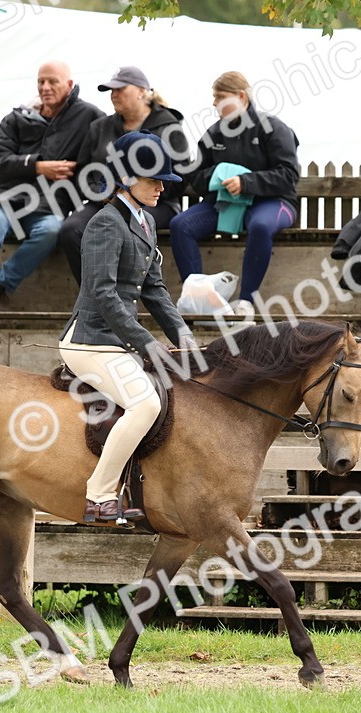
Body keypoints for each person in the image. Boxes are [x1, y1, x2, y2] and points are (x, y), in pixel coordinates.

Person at [59, 132, 196, 524]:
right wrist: (147, 342)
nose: (160, 187)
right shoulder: (104, 223)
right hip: (91, 341)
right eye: (152, 179)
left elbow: (154, 289)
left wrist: (182, 336)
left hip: (118, 341)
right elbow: (103, 293)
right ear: (124, 179)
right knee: (146, 403)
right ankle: (99, 494)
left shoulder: (146, 222)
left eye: (162, 181)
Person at [0, 61, 104, 312]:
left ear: (70, 85)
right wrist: (37, 166)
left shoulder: (89, 116)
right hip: (6, 199)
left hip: (49, 206)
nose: (45, 87)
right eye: (41, 81)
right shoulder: (17, 118)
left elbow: (108, 145)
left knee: (52, 231)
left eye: (53, 81)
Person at [169, 71, 299, 316]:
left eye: (220, 96)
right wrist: (219, 176)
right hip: (226, 203)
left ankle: (245, 302)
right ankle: (199, 300)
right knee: (180, 225)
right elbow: (196, 178)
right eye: (214, 97)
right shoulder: (214, 134)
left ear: (241, 96)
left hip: (272, 202)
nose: (214, 103)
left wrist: (246, 182)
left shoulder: (273, 128)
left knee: (260, 225)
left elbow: (289, 175)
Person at [58, 66, 191, 283]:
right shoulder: (99, 127)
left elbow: (181, 175)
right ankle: (95, 295)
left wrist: (138, 193)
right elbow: (83, 173)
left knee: (122, 225)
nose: (114, 94)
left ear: (141, 91)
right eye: (110, 90)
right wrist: (104, 193)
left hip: (156, 203)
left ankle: (123, 297)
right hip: (106, 201)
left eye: (120, 89)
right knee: (72, 230)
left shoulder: (168, 126)